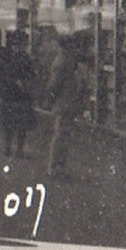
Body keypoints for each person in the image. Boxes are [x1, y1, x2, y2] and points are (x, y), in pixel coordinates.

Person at [45, 41, 90, 180]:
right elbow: (55, 85)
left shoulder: (66, 61)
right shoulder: (63, 62)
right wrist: (50, 99)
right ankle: (54, 167)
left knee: (63, 135)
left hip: (67, 104)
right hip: (64, 104)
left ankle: (59, 167)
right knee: (61, 135)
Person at [0, 38, 36, 159]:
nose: (21, 47)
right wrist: (19, 83)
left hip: (13, 96)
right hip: (17, 96)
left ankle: (11, 148)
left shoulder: (10, 58)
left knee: (13, 123)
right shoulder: (22, 59)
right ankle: (14, 149)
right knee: (18, 124)